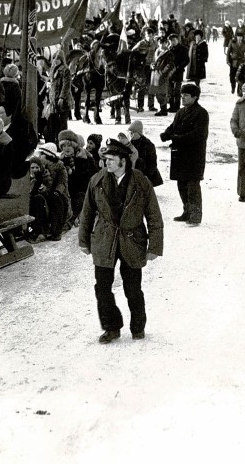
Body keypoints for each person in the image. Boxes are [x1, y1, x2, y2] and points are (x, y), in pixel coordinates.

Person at [78, 138, 164, 344]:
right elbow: (87, 213)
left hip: (132, 240)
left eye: (110, 159)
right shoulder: (97, 181)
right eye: (105, 159)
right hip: (104, 240)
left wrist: (155, 246)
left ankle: (138, 327)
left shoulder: (141, 182)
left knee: (133, 288)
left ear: (123, 161)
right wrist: (84, 240)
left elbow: (154, 216)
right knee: (102, 287)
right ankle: (111, 327)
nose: (106, 163)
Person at [160, 82, 209, 225]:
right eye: (182, 95)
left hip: (194, 156)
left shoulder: (201, 113)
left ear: (195, 97)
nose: (182, 98)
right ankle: (187, 211)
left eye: (186, 95)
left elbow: (198, 135)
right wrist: (166, 133)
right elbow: (174, 126)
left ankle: (195, 215)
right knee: (181, 184)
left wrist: (176, 138)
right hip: (180, 154)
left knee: (192, 185)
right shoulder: (181, 112)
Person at [58, 129, 96, 226]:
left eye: (69, 145)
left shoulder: (82, 158)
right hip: (67, 189)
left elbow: (86, 179)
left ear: (74, 146)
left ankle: (71, 220)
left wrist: (72, 173)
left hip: (82, 190)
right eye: (63, 145)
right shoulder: (61, 160)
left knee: (79, 198)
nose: (66, 148)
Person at [36, 142, 71, 241]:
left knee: (55, 201)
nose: (39, 156)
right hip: (44, 192)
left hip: (57, 194)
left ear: (48, 156)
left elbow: (62, 182)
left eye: (41, 154)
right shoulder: (39, 166)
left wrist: (57, 192)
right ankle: (42, 230)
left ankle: (56, 231)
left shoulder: (60, 166)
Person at [127, 120, 163, 187]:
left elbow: (152, 163)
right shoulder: (129, 142)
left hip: (146, 171)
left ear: (138, 133)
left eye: (133, 132)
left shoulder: (148, 144)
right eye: (130, 132)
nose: (131, 135)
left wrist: (147, 176)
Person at [150, 35, 174, 116]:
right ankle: (162, 108)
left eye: (162, 43)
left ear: (166, 43)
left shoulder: (169, 53)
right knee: (156, 92)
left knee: (162, 93)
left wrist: (162, 72)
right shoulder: (157, 51)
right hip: (155, 74)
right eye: (159, 43)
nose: (160, 44)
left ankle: (164, 110)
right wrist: (152, 65)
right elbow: (153, 61)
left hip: (162, 75)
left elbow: (169, 65)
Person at [167, 33, 190, 113]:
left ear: (177, 40)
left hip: (179, 71)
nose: (172, 42)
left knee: (177, 90)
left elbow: (187, 60)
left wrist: (180, 66)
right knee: (170, 90)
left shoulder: (183, 49)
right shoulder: (168, 49)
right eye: (170, 41)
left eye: (174, 40)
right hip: (169, 72)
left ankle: (177, 106)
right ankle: (171, 105)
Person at [226, 30, 245, 95]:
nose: (240, 38)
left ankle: (239, 91)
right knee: (232, 76)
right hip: (233, 62)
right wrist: (228, 61)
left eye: (241, 37)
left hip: (241, 63)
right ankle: (233, 87)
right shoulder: (232, 42)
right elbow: (228, 52)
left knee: (240, 77)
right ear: (236, 37)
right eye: (238, 37)